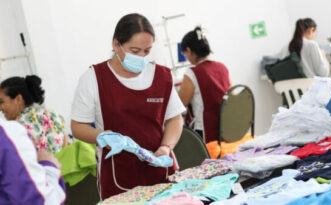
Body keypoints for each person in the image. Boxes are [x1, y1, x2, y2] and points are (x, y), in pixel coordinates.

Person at [71, 13, 185, 200]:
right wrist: (103, 136)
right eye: (134, 51)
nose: (141, 57)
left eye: (146, 51)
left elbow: (174, 118)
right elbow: (77, 127)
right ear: (116, 45)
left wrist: (166, 147)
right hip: (118, 176)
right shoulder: (93, 78)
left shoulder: (161, 76)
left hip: (161, 169)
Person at [178, 27, 231, 144]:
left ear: (188, 50)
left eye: (185, 54)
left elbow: (180, 105)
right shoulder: (222, 67)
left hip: (206, 133)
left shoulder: (192, 73)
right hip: (227, 128)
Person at [0, 118, 66, 204]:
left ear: (17, 103)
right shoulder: (57, 118)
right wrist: (50, 168)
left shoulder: (16, 127)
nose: (2, 107)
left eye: (3, 103)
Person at [0, 75, 68, 154]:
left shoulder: (16, 128)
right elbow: (65, 149)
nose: (0, 108)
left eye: (1, 102)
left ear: (18, 99)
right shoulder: (55, 116)